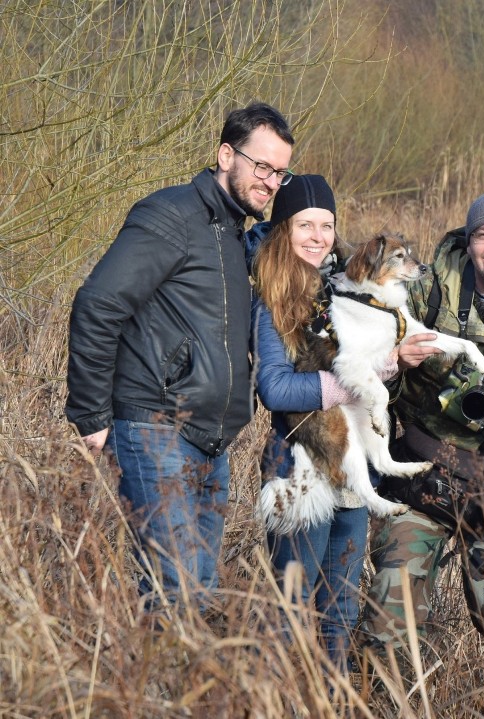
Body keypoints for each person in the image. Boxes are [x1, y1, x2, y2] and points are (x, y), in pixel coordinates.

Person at [65, 102, 295, 612]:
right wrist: (90, 415)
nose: (271, 182)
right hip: (155, 429)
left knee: (196, 598)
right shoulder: (171, 215)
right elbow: (99, 304)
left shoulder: (237, 236)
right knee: (178, 597)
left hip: (212, 444)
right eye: (262, 167)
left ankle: (161, 689)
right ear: (225, 154)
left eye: (280, 172)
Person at [358, 189, 484, 671]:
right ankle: (378, 697)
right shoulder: (424, 289)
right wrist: (393, 363)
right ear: (469, 238)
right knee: (390, 609)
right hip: (423, 477)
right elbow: (355, 353)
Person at [248, 174, 398, 670]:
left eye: (327, 225)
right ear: (283, 230)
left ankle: (333, 697)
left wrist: (390, 365)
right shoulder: (272, 297)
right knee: (289, 606)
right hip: (300, 464)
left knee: (341, 605)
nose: (318, 236)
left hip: (352, 467)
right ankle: (276, 699)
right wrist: (354, 383)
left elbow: (369, 372)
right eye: (305, 225)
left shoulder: (351, 289)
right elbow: (275, 388)